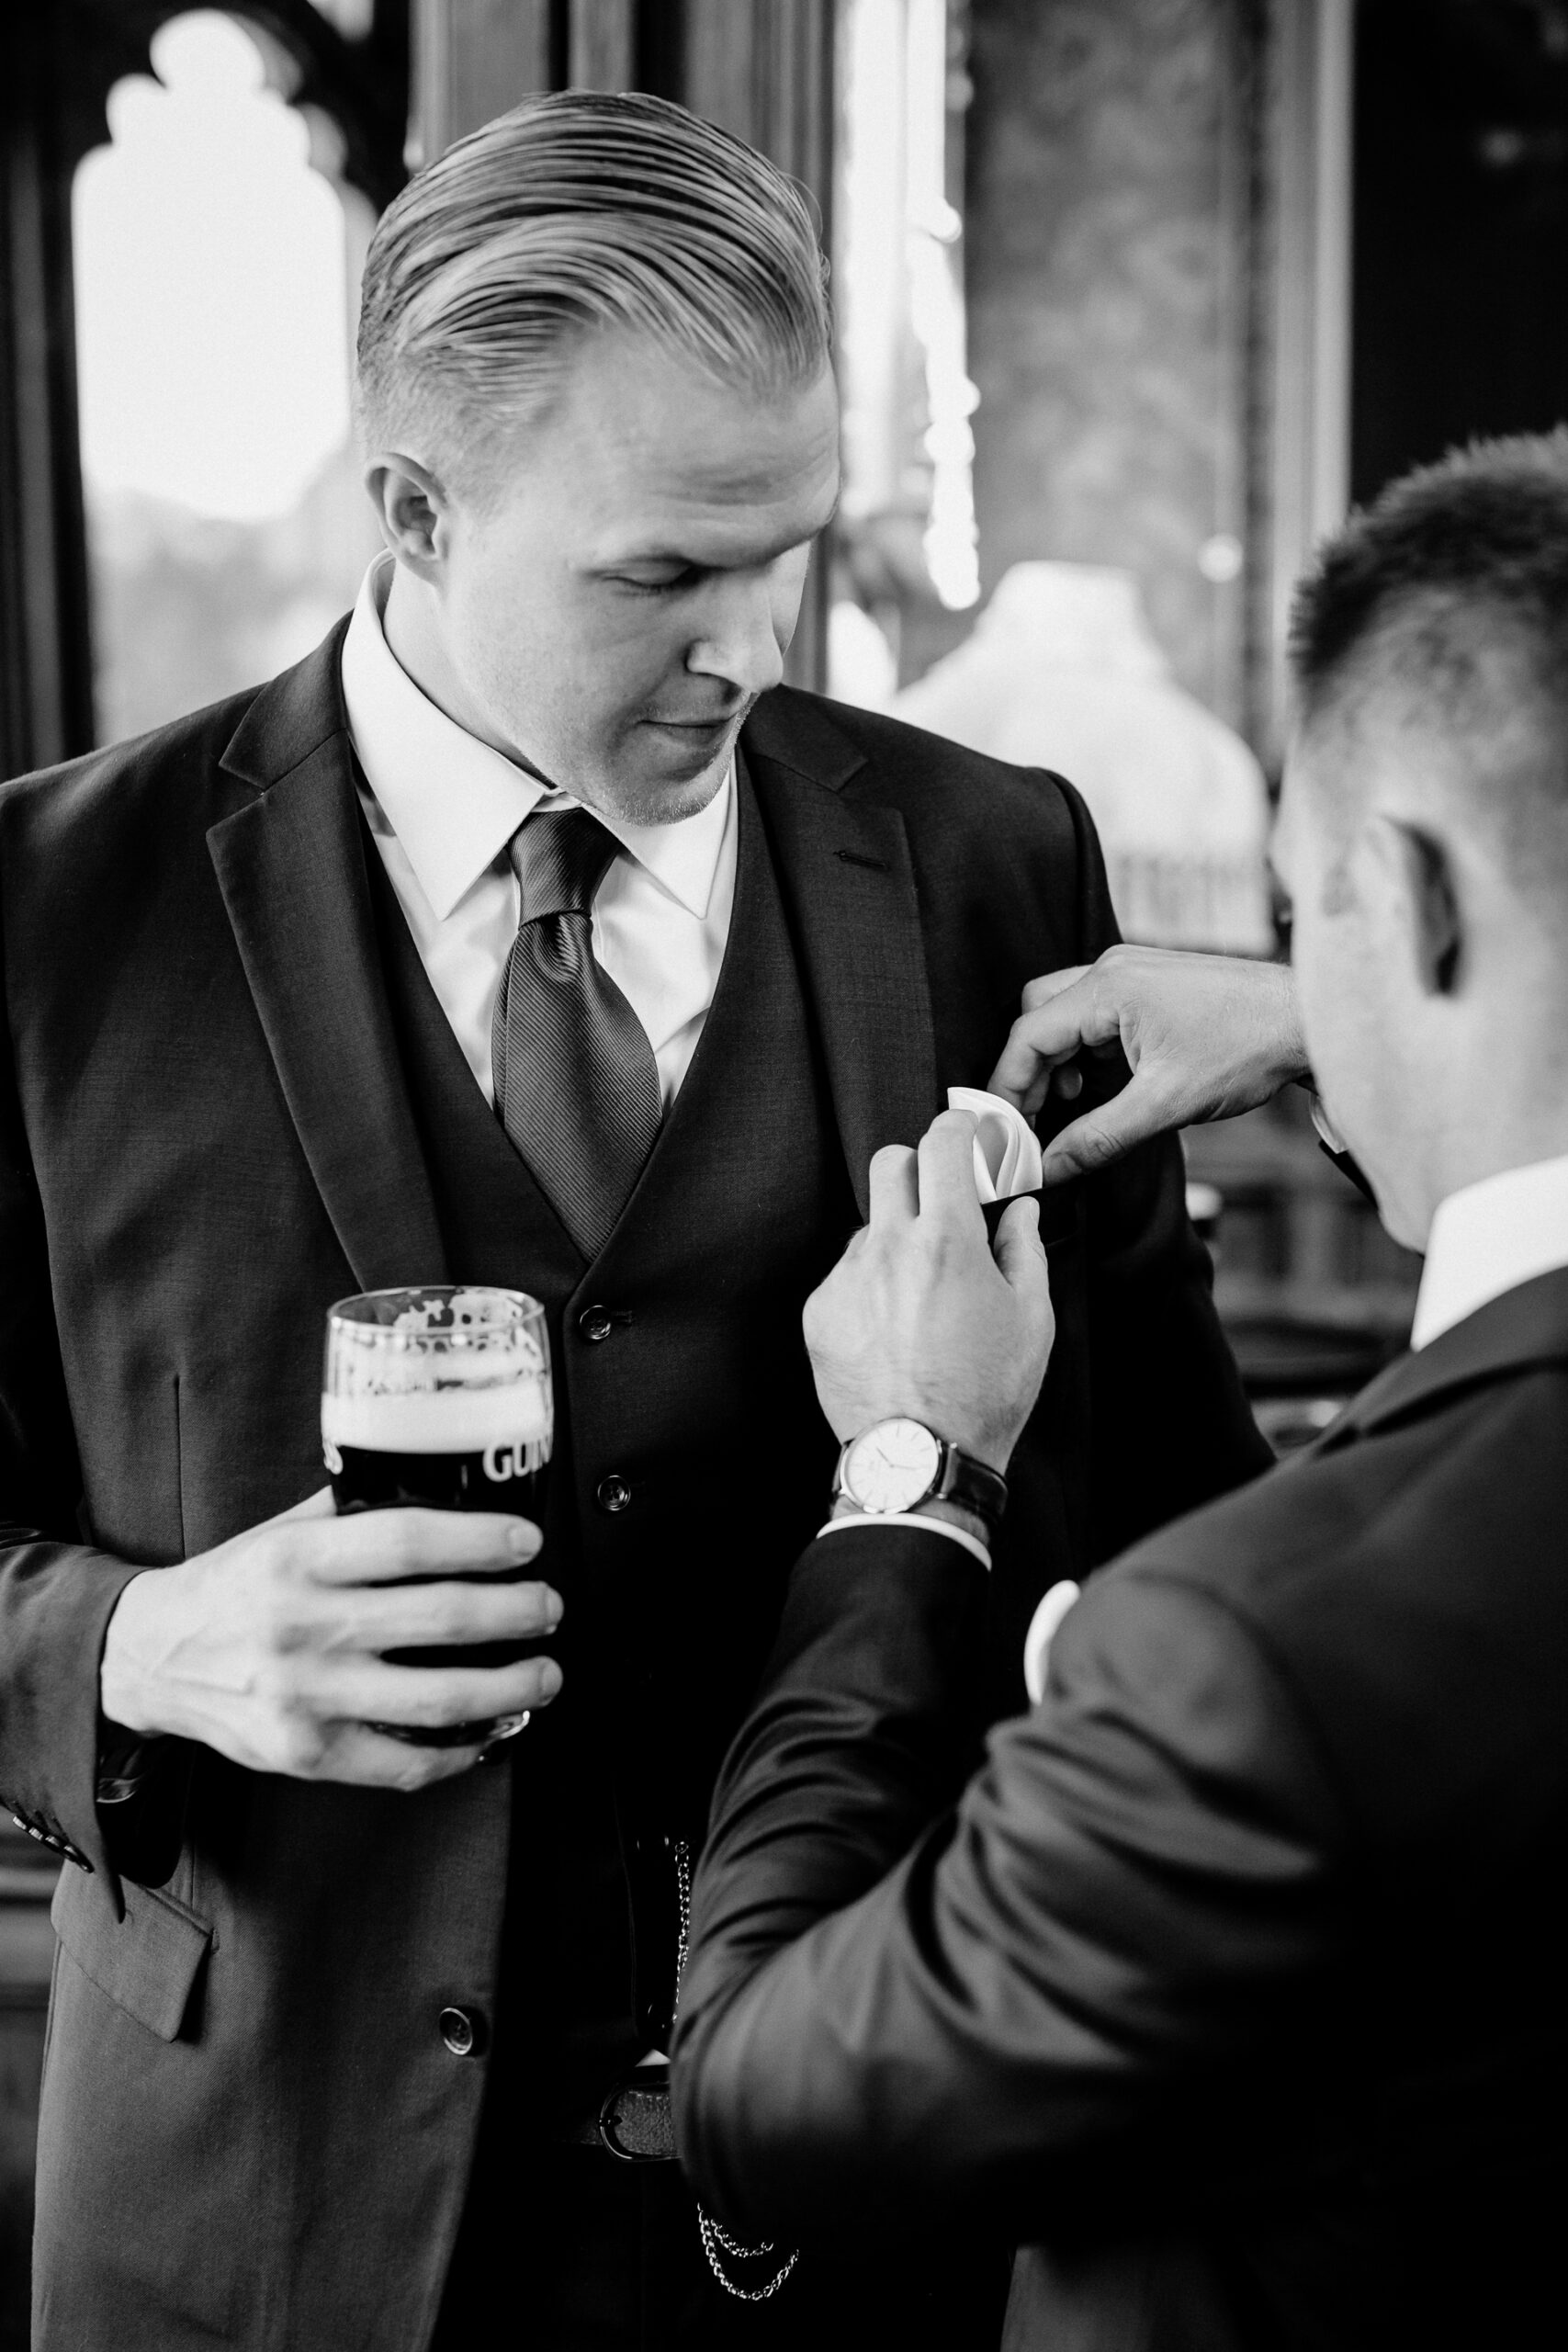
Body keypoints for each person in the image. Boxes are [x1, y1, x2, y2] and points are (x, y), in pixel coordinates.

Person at [0, 92, 1265, 2352]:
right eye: (660, 573)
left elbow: (1158, 1524)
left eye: (781, 550)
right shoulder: (38, 917)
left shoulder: (991, 864)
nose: (745, 647)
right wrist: (129, 1647)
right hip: (251, 2230)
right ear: (409, 508)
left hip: (874, 2221)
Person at [672, 432, 1568, 2350]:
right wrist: (1320, 1005)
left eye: (1299, 904)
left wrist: (908, 1475)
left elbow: (755, 2093)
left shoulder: (1244, 1662)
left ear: (1407, 893)